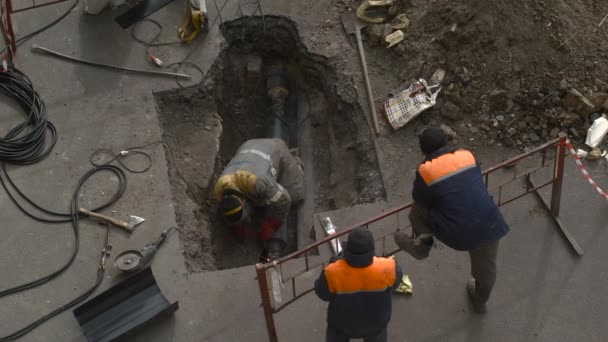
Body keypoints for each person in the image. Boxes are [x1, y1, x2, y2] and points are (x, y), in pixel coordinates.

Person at [394, 126, 509, 313]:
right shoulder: (467, 156)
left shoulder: (426, 171)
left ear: (423, 151)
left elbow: (420, 197)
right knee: (487, 266)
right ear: (446, 142)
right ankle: (480, 300)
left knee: (418, 210)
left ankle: (422, 247)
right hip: (490, 223)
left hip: (458, 233)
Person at [214, 138, 304, 260]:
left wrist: (272, 224)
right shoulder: (220, 189)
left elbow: (284, 199)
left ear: (244, 203)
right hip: (248, 146)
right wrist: (238, 225)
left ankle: (295, 161)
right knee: (263, 201)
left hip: (276, 150)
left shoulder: (257, 182)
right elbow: (228, 210)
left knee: (295, 195)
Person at [315, 227, 403, 342]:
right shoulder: (389, 267)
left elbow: (322, 293)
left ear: (347, 250)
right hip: (376, 323)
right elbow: (395, 284)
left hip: (342, 325)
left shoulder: (332, 272)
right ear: (372, 250)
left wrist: (334, 262)